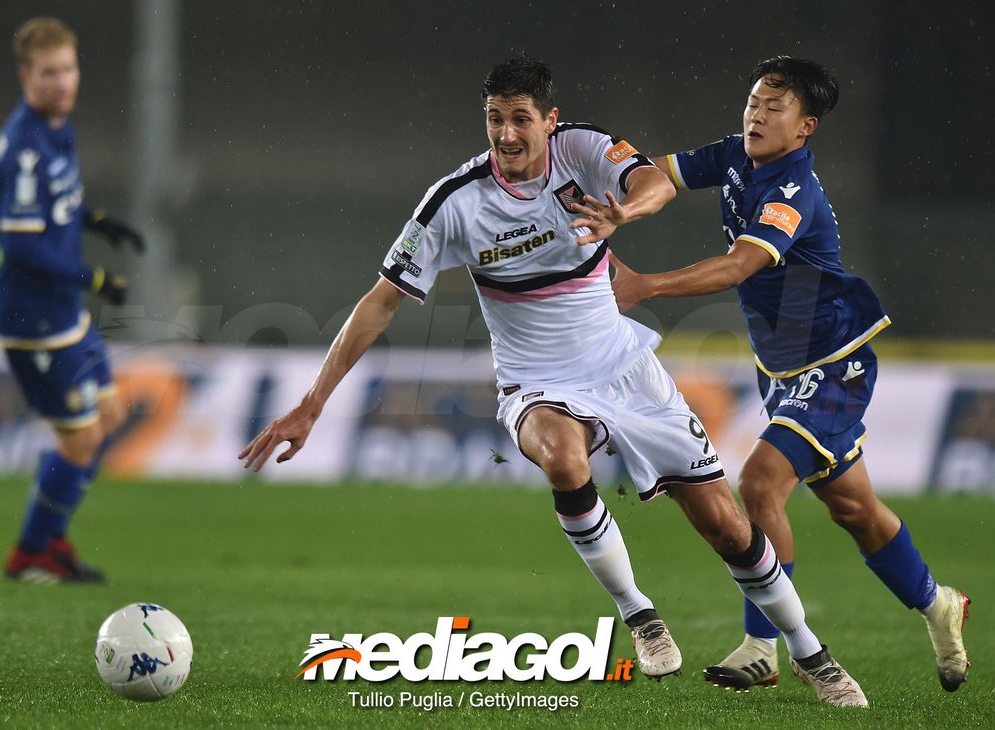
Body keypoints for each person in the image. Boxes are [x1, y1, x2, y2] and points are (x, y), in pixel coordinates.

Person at [241, 56, 867, 707]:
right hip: (535, 383)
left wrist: (625, 213)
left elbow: (652, 180)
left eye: (519, 120)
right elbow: (379, 302)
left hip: (625, 367)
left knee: (725, 527)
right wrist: (313, 404)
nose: (506, 135)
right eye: (494, 120)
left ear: (549, 121)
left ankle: (808, 652)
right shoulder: (455, 203)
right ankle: (639, 615)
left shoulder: (584, 149)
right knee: (565, 460)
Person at [610, 55, 970, 692]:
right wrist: (601, 179)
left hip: (834, 365)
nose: (755, 113)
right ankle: (938, 603)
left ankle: (762, 646)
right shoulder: (735, 156)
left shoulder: (791, 191)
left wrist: (642, 287)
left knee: (759, 484)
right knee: (855, 509)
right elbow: (656, 172)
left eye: (774, 108)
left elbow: (738, 268)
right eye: (752, 101)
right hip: (781, 366)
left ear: (805, 128)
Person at [0, 17, 145, 583]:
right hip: (34, 317)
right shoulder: (25, 146)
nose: (61, 82)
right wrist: (95, 277)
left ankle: (48, 538)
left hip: (61, 311)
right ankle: (31, 551)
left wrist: (96, 221)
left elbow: (56, 209)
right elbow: (20, 243)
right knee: (80, 439)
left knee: (107, 415)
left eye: (68, 69)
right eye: (48, 72)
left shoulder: (60, 128)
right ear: (26, 75)